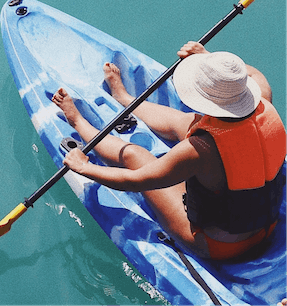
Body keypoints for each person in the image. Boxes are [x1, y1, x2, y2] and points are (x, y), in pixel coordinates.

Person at [51, 41, 286, 260]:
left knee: (137, 156)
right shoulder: (264, 96)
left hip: (220, 246)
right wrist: (209, 60)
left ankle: (78, 122)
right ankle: (124, 98)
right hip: (268, 225)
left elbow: (135, 181)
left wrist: (84, 166)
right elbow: (252, 74)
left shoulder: (199, 150)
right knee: (187, 122)